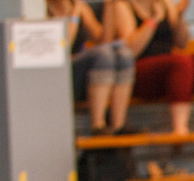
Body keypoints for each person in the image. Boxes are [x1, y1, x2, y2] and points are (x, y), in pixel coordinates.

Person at [106, 0, 194, 135]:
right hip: (136, 73)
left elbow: (182, 43)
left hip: (170, 70)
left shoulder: (165, 4)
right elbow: (131, 51)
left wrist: (179, 16)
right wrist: (153, 20)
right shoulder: (123, 5)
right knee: (180, 63)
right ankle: (180, 128)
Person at [53, 0, 134, 134]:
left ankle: (119, 124)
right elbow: (65, 47)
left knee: (123, 54)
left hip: (87, 74)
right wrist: (74, 15)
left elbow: (103, 40)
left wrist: (109, 6)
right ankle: (97, 125)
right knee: (102, 55)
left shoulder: (81, 7)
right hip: (59, 74)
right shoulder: (43, 11)